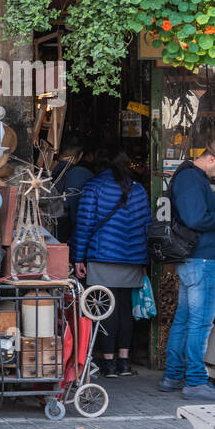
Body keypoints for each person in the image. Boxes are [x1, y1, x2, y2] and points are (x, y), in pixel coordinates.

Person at [70, 150, 150, 378]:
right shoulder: (138, 188)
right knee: (125, 309)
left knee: (105, 310)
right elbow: (146, 226)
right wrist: (143, 260)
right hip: (132, 260)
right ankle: (124, 361)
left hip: (102, 257)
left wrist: (78, 257)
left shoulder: (93, 187)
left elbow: (84, 225)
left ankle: (109, 363)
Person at [161, 139, 215, 399]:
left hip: (192, 260)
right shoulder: (194, 179)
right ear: (211, 159)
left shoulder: (186, 177)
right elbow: (196, 218)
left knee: (184, 319)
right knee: (200, 322)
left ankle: (173, 376)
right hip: (201, 259)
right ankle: (195, 380)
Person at [50, 139, 94, 243]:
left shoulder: (45, 170)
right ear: (80, 155)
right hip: (67, 235)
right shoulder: (81, 174)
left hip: (46, 231)